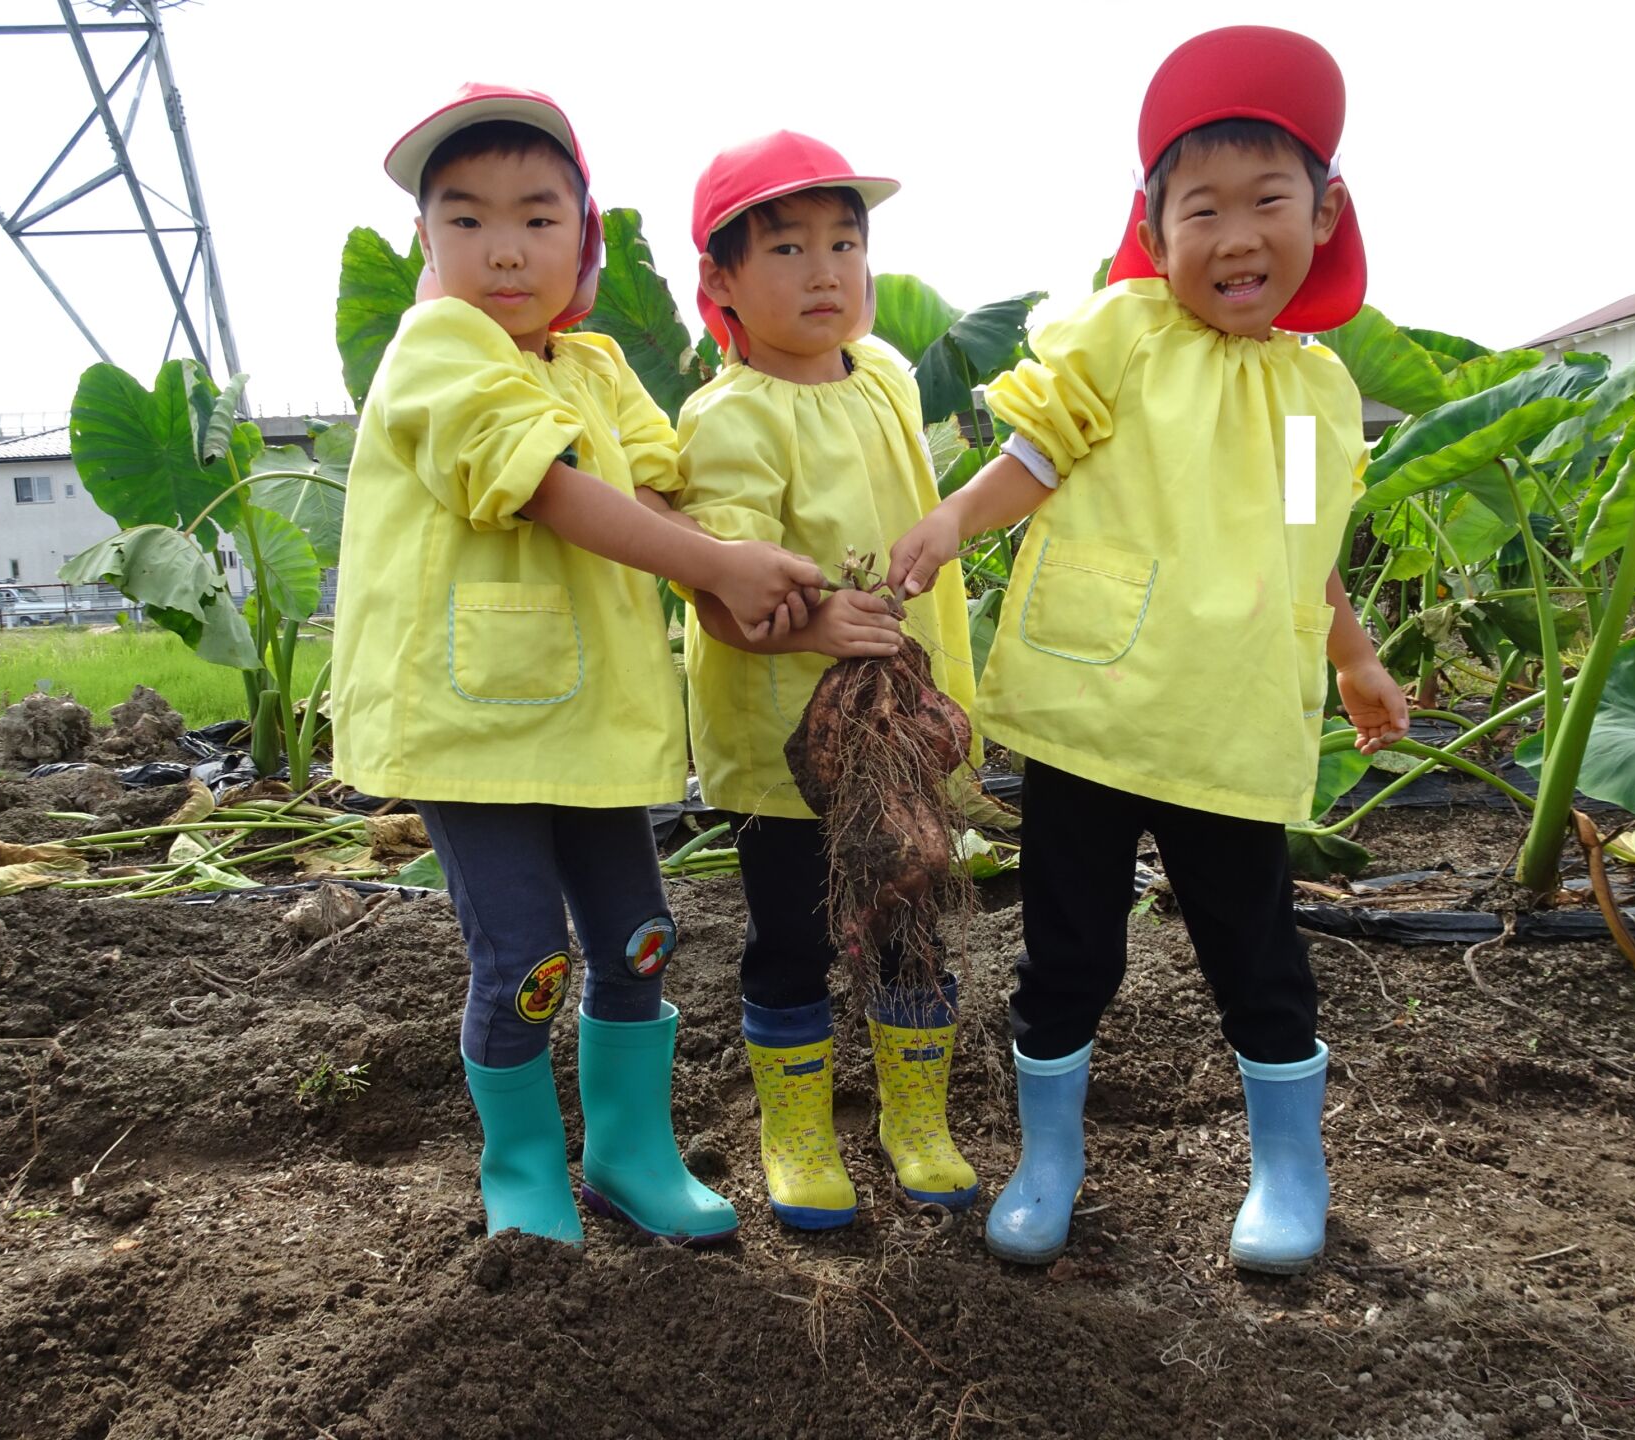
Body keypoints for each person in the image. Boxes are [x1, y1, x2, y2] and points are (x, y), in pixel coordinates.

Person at [886, 27, 1410, 1271]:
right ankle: (1048, 1158)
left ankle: (1292, 1167)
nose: (1237, 236)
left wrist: (1354, 653)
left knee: (1256, 952)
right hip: (1096, 711)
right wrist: (959, 516)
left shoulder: (1318, 390)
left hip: (1226, 721)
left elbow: (1305, 538)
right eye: (1202, 208)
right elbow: (1036, 451)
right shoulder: (1120, 335)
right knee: (1071, 947)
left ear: (1323, 215)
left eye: (1269, 201)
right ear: (1153, 224)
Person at [330, 84, 823, 1247]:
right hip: (471, 722)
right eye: (467, 219)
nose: (505, 248)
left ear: (586, 244)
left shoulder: (598, 367)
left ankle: (629, 1155)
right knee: (526, 959)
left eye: (539, 218)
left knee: (640, 936)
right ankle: (523, 1170)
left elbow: (657, 491)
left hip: (593, 714)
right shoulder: (436, 346)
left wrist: (754, 583)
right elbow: (550, 488)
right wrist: (715, 564)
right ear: (427, 245)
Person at [673, 132, 980, 1229]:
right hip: (785, 745)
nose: (826, 272)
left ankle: (916, 1121)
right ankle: (796, 1134)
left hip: (897, 731)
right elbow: (716, 590)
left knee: (910, 918)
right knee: (793, 934)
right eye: (790, 249)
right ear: (721, 282)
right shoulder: (729, 418)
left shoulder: (887, 372)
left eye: (846, 244)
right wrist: (814, 628)